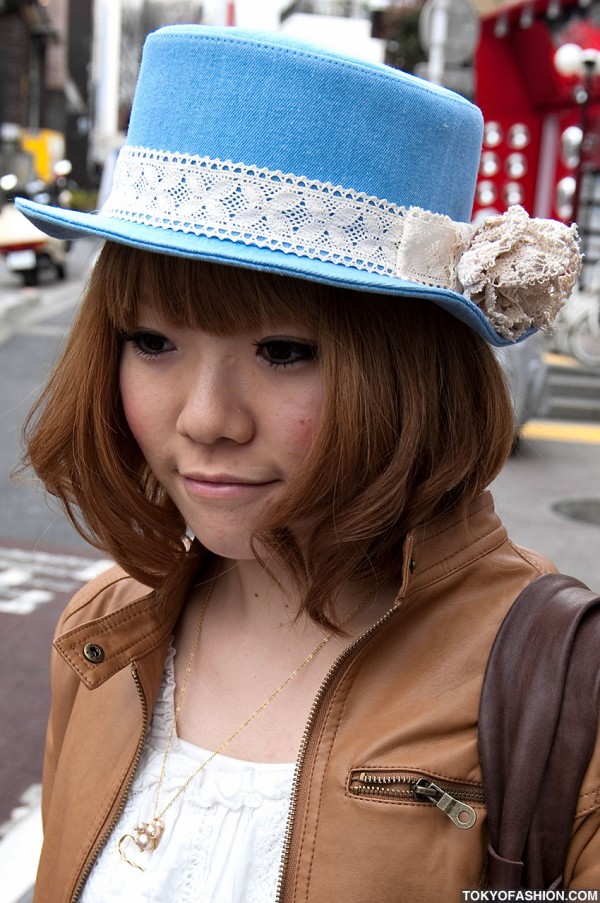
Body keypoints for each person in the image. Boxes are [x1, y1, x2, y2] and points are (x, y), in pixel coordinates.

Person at [16, 25, 596, 903]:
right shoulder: (102, 634)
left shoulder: (556, 690)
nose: (207, 420)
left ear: (411, 370)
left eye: (284, 350)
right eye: (153, 340)